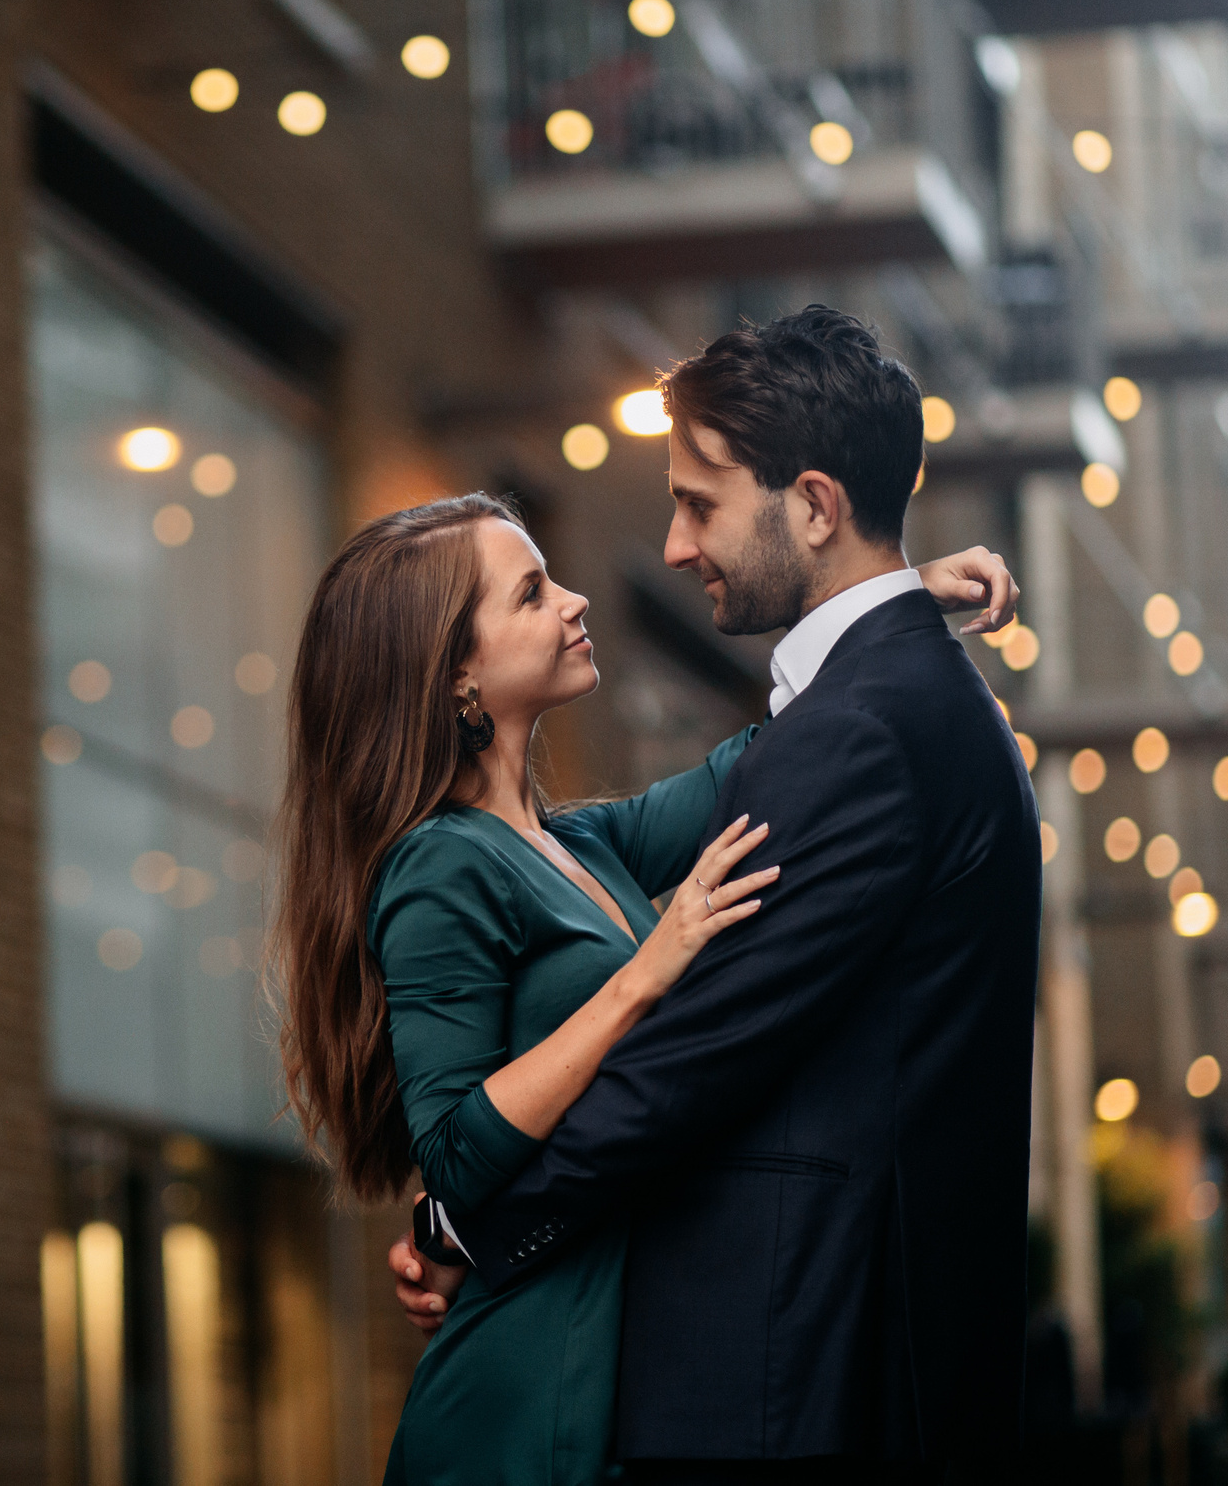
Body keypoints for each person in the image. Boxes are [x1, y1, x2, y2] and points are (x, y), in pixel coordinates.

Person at [387, 306, 1043, 1485]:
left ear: (811, 505)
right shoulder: (876, 710)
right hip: (809, 1375)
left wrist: (469, 1231)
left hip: (799, 1382)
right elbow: (547, 853)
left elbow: (691, 1062)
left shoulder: (865, 731)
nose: (674, 546)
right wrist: (893, 603)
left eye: (699, 503)